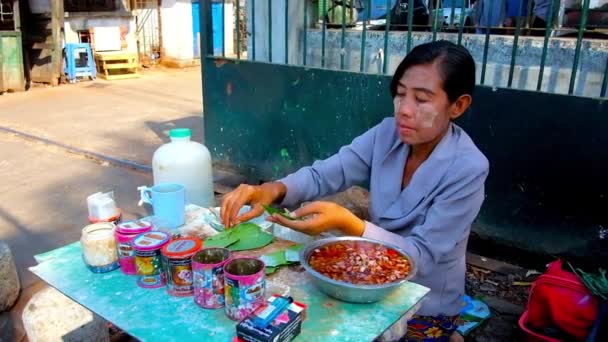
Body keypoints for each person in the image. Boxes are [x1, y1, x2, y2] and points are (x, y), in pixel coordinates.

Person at [220, 40, 489, 341]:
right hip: (368, 273)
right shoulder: (387, 134)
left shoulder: (468, 168)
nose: (405, 110)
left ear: (458, 106)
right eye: (400, 95)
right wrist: (274, 189)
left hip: (425, 301)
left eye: (422, 100)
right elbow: (327, 173)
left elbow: (423, 256)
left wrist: (350, 225)